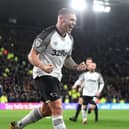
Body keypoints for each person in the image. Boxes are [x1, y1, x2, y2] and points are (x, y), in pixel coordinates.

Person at [9, 8, 86, 129]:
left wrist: (76, 66)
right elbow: (31, 56)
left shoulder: (70, 39)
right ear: (61, 19)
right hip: (43, 74)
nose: (74, 23)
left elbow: (66, 59)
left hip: (56, 77)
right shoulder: (47, 34)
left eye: (75, 20)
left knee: (47, 111)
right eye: (71, 20)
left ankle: (18, 126)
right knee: (57, 107)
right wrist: (43, 66)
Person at [69, 57, 94, 122]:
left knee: (91, 103)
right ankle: (75, 117)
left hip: (91, 89)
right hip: (84, 89)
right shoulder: (84, 70)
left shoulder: (93, 71)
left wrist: (81, 86)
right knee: (80, 102)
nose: (88, 63)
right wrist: (76, 85)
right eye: (87, 62)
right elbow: (81, 79)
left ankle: (91, 108)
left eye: (90, 62)